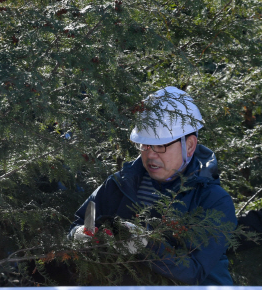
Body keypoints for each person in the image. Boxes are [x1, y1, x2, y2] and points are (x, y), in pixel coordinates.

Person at [70, 86, 237, 285]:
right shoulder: (120, 183)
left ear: (189, 146)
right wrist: (79, 235)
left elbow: (193, 271)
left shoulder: (213, 200)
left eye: (160, 145)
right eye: (145, 145)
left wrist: (145, 245)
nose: (150, 154)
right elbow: (79, 222)